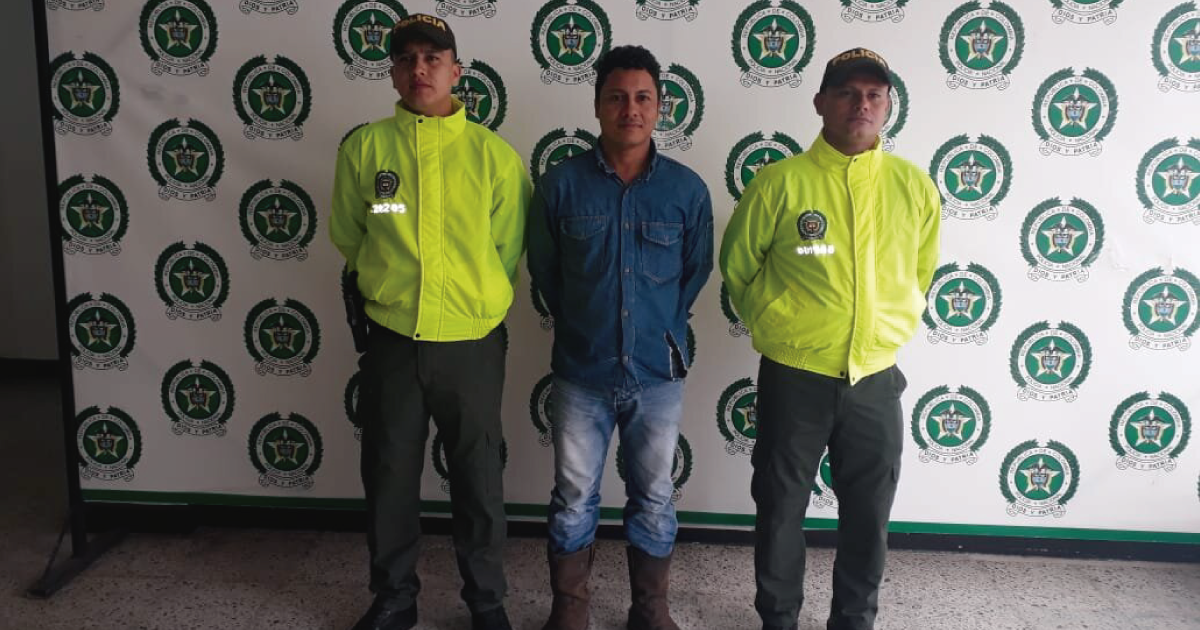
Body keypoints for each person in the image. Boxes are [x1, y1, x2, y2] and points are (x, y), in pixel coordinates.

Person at [718, 47, 941, 630]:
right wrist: (779, 322)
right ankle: (778, 618)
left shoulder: (914, 187)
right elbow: (738, 267)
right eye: (846, 93)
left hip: (876, 379)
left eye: (873, 94)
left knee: (869, 513)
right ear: (820, 103)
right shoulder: (780, 183)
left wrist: (890, 328)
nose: (860, 104)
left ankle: (854, 619)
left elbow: (921, 271)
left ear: (888, 105)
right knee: (780, 507)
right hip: (795, 375)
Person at [329, 13, 530, 630]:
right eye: (406, 59)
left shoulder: (493, 157)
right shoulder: (365, 150)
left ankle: (486, 602)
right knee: (389, 473)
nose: (419, 69)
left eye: (433, 58)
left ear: (456, 71)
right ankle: (394, 597)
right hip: (392, 341)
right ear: (393, 73)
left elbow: (507, 250)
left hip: (471, 344)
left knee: (479, 478)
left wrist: (469, 304)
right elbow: (350, 235)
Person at [526, 45, 713, 630]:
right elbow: (546, 271)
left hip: (657, 373)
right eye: (616, 97)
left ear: (659, 107)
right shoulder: (560, 185)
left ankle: (650, 611)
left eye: (642, 98)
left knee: (654, 495)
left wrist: (657, 323)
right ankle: (570, 611)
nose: (629, 109)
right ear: (597, 104)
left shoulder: (687, 191)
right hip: (581, 371)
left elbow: (695, 271)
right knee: (573, 496)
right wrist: (586, 322)